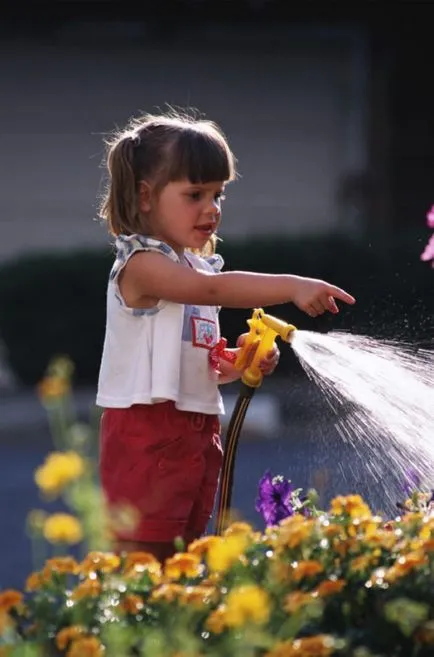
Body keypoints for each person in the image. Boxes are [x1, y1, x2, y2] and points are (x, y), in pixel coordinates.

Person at [96, 110, 355, 562]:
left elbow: (194, 360)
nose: (211, 208)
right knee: (143, 560)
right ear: (144, 197)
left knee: (187, 555)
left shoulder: (192, 267)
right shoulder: (141, 266)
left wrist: (235, 363)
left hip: (196, 435)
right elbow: (214, 289)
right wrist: (292, 287)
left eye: (218, 194)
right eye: (194, 194)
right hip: (146, 437)